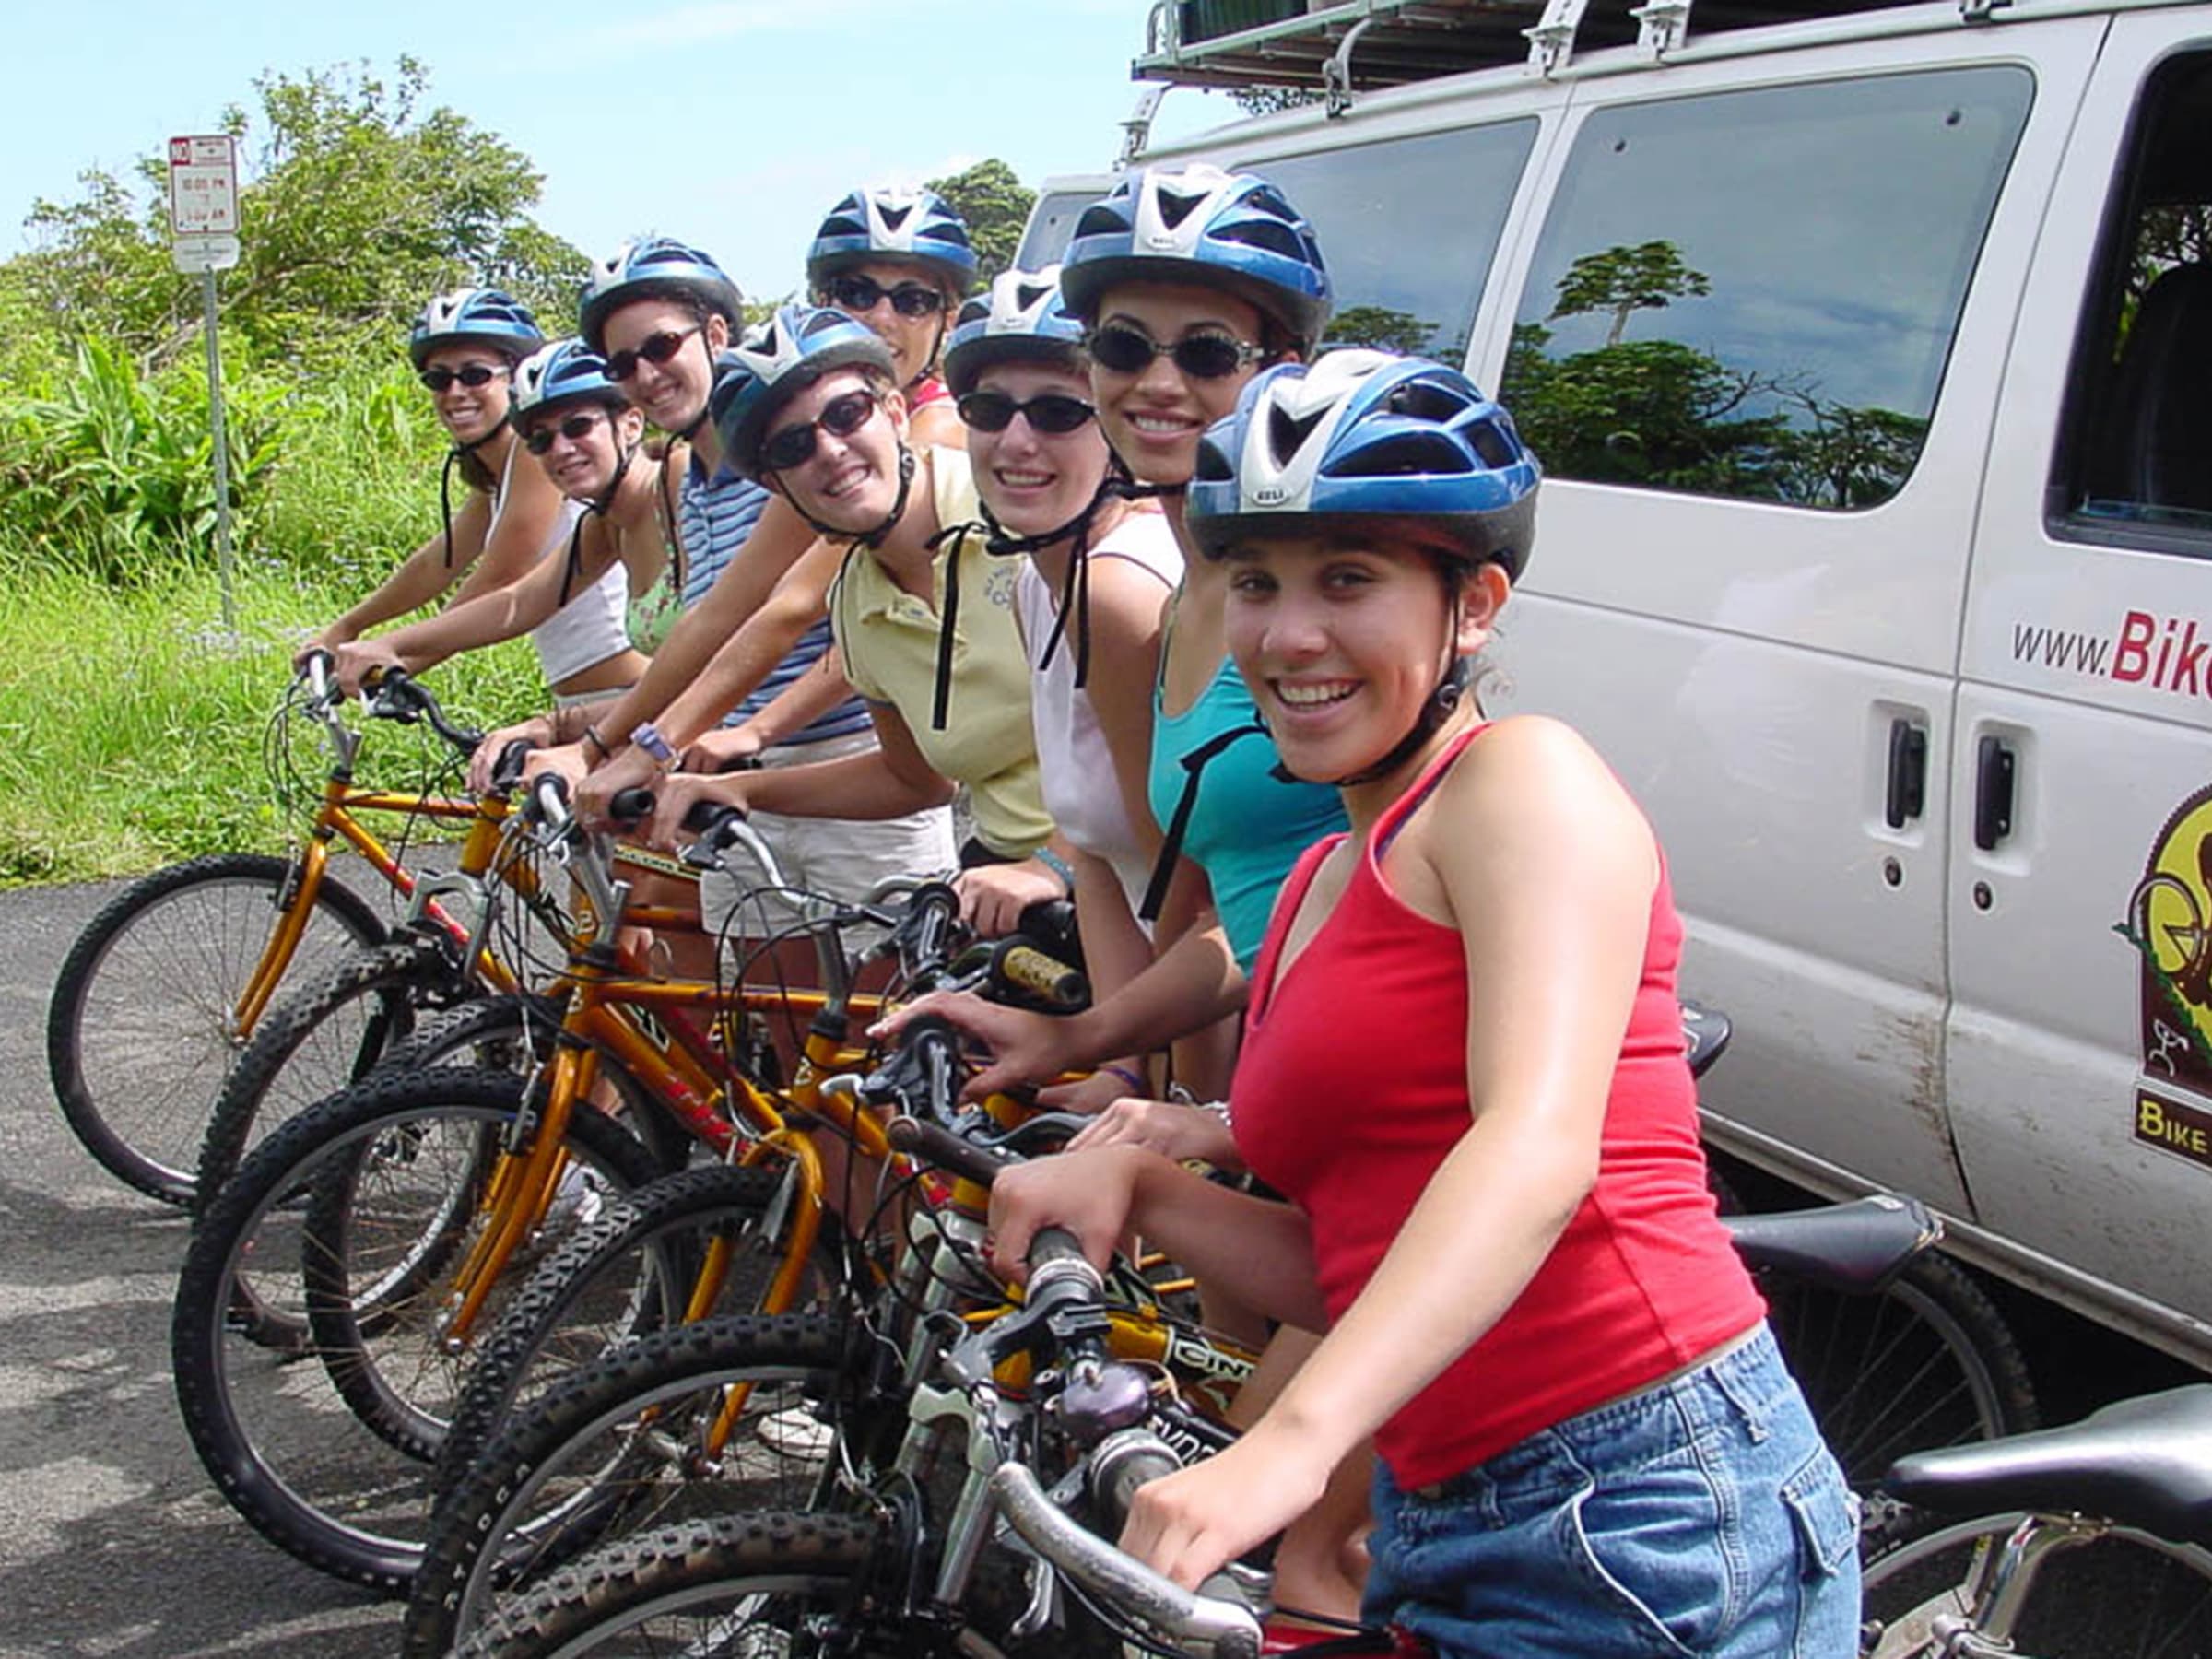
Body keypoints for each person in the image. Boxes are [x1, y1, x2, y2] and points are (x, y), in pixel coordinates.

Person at [983, 352, 1861, 1657]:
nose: (1290, 636)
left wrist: (1285, 1447)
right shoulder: (1328, 873)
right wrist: (1149, 1190)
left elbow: (1536, 1149)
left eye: (1351, 580)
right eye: (1256, 584)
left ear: (1474, 605)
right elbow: (1356, 1262)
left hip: (1644, 1501)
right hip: (1442, 1496)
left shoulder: (1523, 784)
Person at [506, 240, 953, 908]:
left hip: (848, 756)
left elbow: (790, 614)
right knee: (741, 992)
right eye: (623, 363)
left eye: (660, 348)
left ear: (715, 333)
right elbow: (716, 618)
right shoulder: (695, 478)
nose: (646, 374)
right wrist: (609, 738)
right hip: (735, 766)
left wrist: (640, 744)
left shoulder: (902, 452)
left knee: (867, 1002)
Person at [641, 305, 1052, 931]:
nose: (829, 450)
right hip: (1003, 881)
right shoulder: (857, 606)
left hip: (1118, 868)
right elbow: (913, 781)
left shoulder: (1012, 511)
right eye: (793, 446)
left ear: (892, 414)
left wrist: (1058, 866)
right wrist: (746, 791)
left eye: (845, 414)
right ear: (776, 487)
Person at [302, 288, 642, 703]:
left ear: (517, 377)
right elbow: (436, 565)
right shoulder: (500, 473)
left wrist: (395, 661)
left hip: (622, 689)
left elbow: (501, 580)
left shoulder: (537, 457)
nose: (455, 392)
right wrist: (347, 628)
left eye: (475, 375)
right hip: (581, 696)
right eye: (439, 379)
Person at [806, 185, 976, 451]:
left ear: (949, 320)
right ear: (823, 304)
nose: (882, 318)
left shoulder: (940, 431)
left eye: (913, 301)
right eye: (858, 294)